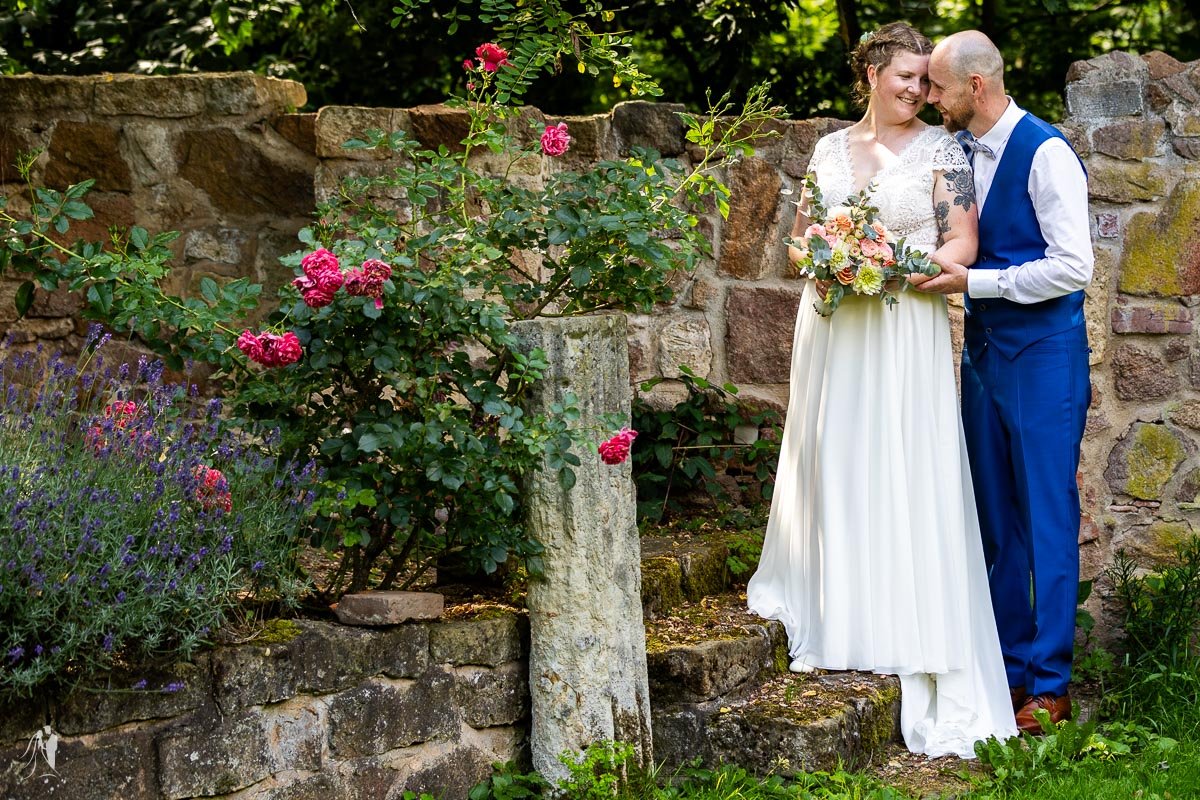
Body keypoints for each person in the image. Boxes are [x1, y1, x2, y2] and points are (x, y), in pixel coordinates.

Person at [746, 22, 1017, 758]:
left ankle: (901, 610)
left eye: (926, 81)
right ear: (869, 71)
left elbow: (964, 240)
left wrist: (905, 264)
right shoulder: (828, 150)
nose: (918, 91)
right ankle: (835, 600)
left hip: (904, 320)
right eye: (905, 77)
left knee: (902, 458)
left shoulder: (945, 150)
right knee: (836, 453)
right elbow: (799, 238)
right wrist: (827, 257)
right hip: (834, 324)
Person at [917, 31, 1093, 734]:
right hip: (983, 361)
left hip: (1045, 361)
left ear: (975, 88)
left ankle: (1051, 687)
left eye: (938, 87)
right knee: (995, 524)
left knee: (1047, 520)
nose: (931, 99)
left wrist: (977, 283)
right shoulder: (955, 153)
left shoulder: (1047, 153)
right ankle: (1008, 672)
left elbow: (1072, 265)